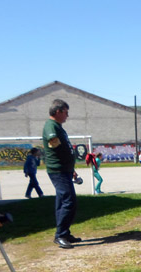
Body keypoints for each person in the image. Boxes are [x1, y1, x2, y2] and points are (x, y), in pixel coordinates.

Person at [42, 99, 81, 249]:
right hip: (58, 170)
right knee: (69, 201)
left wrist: (71, 169)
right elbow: (54, 143)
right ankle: (60, 235)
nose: (67, 115)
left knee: (62, 202)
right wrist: (66, 163)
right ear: (58, 111)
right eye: (66, 112)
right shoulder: (51, 125)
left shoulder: (57, 126)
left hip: (64, 169)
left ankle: (64, 233)